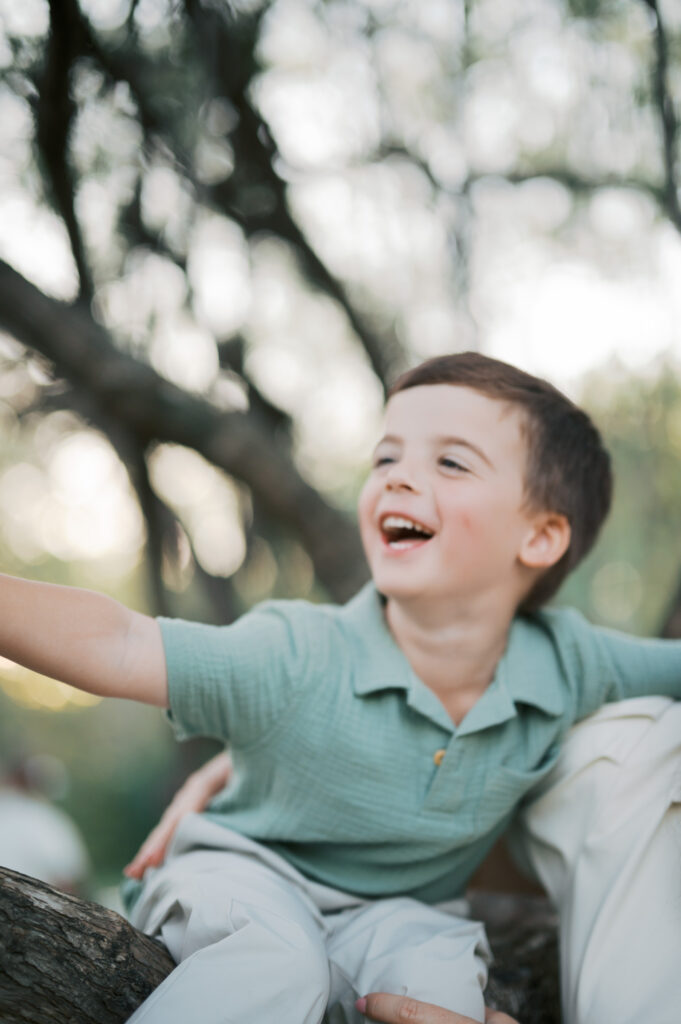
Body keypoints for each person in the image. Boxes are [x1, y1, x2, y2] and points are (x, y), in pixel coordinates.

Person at [2, 352, 681, 1024]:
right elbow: (120, 642)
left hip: (399, 915)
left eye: (449, 462)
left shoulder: (568, 662)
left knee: (439, 988)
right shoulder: (297, 652)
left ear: (539, 537)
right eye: (386, 458)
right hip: (245, 876)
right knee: (277, 960)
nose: (397, 479)